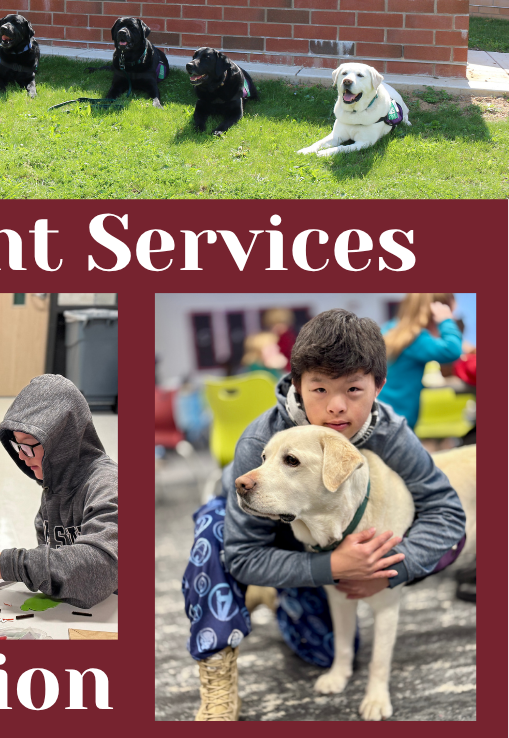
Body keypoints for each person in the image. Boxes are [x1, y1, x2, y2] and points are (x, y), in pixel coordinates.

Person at [183, 308, 467, 719]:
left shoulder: (391, 433)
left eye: (353, 390)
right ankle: (217, 673)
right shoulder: (260, 438)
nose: (336, 407)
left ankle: (275, 594)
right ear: (297, 386)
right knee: (211, 529)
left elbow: (447, 514)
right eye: (319, 390)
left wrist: (388, 569)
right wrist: (334, 566)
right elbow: (243, 555)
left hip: (323, 531)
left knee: (321, 653)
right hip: (260, 525)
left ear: (378, 387)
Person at [0, 375, 119, 608]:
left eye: (28, 445)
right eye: (17, 446)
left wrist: (10, 564)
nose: (22, 456)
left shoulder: (109, 484)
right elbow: (55, 563)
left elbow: (101, 568)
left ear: (62, 441)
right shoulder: (54, 487)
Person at [379, 293, 462, 428]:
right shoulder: (415, 338)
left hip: (383, 412)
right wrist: (446, 321)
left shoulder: (391, 329)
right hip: (399, 419)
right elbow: (452, 350)